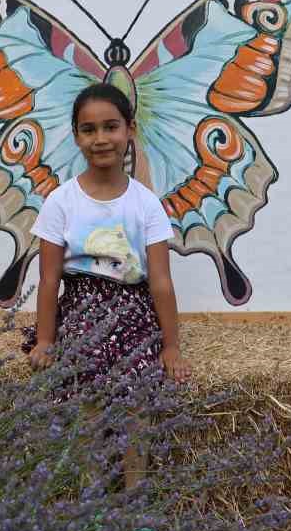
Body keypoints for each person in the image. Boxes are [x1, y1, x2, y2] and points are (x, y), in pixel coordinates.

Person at [23, 81, 192, 492]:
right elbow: (48, 280)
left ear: (129, 130)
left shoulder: (146, 204)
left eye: (111, 127)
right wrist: (45, 340)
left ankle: (136, 502)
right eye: (89, 129)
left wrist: (171, 346)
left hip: (133, 311)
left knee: (137, 393)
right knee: (86, 390)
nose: (101, 139)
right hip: (80, 308)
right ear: (77, 136)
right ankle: (91, 499)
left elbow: (161, 281)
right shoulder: (61, 202)